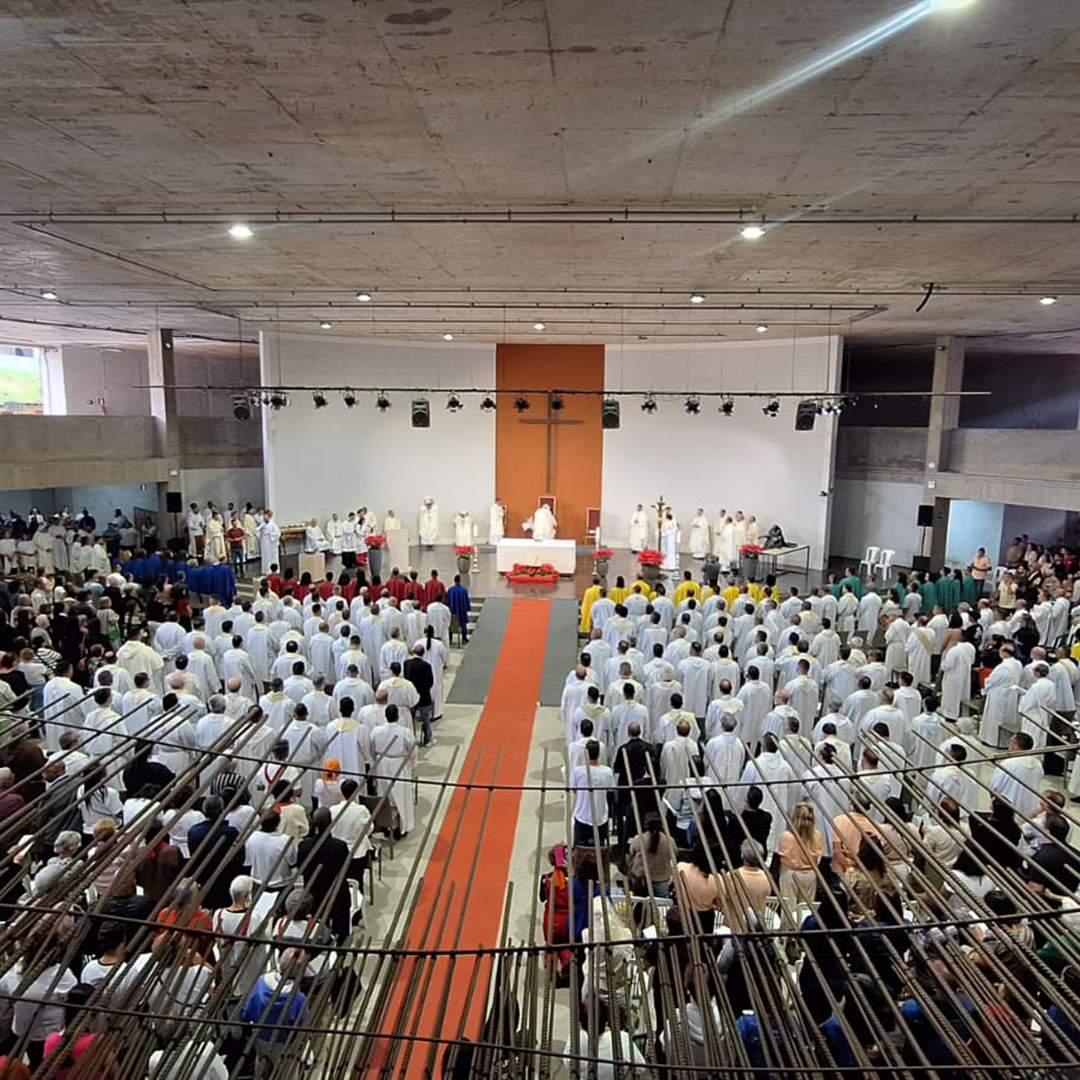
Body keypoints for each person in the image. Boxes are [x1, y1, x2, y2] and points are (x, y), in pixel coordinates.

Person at [777, 801, 824, 908]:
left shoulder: (787, 836)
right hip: (810, 874)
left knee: (789, 910)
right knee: (807, 910)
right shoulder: (817, 836)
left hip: (791, 874)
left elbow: (783, 858)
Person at [569, 739, 616, 846]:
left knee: (580, 848)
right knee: (599, 846)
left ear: (585, 753)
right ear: (599, 754)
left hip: (582, 815)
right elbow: (611, 790)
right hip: (600, 817)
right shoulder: (607, 772)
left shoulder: (578, 772)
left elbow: (573, 789)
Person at [626, 813, 677, 898]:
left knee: (639, 905)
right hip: (662, 880)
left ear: (645, 825)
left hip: (641, 879)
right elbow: (674, 854)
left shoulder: (639, 839)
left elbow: (631, 853)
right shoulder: (669, 841)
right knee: (661, 906)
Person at [446, 574, 471, 644]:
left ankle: (450, 638)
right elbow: (466, 600)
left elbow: (448, 601)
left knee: (451, 624)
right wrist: (467, 608)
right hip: (462, 610)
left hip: (453, 611)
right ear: (460, 581)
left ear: (454, 581)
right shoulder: (464, 590)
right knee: (463, 624)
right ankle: (464, 638)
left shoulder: (450, 590)